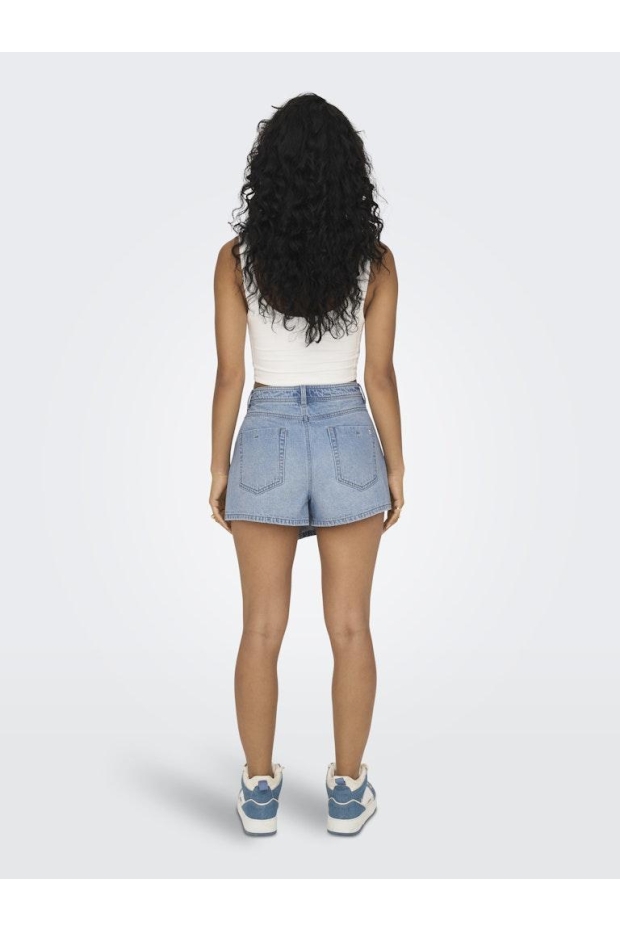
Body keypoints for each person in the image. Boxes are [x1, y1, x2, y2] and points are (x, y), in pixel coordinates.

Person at [209, 93, 405, 836]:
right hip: (350, 433)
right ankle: (348, 793)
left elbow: (231, 376)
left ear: (269, 172)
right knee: (350, 628)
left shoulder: (237, 260)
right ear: (349, 172)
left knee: (261, 629)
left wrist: (219, 469)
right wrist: (396, 466)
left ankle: (260, 791)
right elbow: (379, 375)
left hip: (265, 436)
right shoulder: (375, 261)